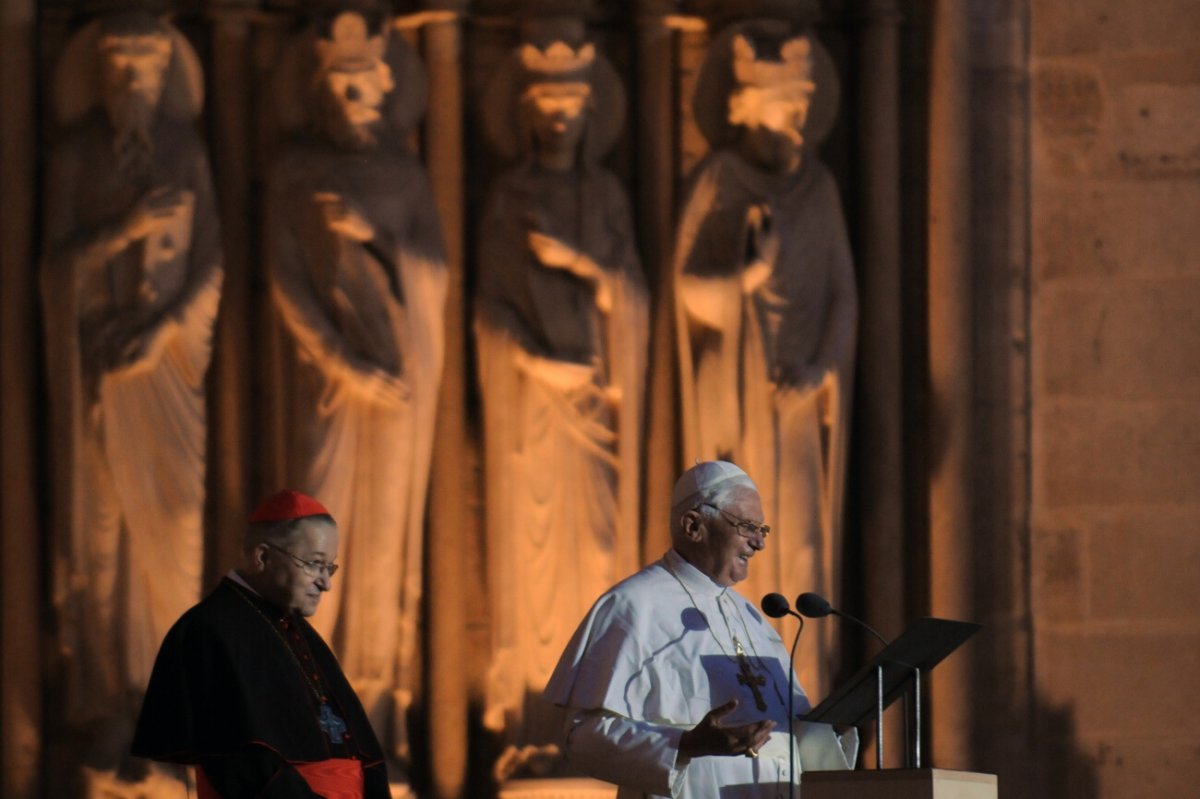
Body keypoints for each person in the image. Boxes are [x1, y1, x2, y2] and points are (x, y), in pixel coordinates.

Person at [40, 10, 223, 775]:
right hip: (95, 375)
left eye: (146, 73)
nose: (132, 87)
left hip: (169, 372)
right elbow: (52, 268)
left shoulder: (186, 152)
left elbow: (210, 263)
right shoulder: (77, 158)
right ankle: (109, 705)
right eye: (119, 74)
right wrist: (123, 228)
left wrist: (162, 330)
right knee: (102, 534)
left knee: (174, 527)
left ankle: (167, 703)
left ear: (163, 80)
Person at [266, 7, 447, 773]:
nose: (351, 99)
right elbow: (285, 280)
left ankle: (376, 705)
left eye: (362, 85)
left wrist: (374, 232)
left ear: (383, 89)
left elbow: (435, 276)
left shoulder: (404, 175)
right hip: (329, 388)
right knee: (317, 535)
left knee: (382, 546)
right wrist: (342, 361)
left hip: (399, 388)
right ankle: (310, 704)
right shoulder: (293, 171)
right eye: (336, 86)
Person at [475, 37, 648, 773]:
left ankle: (594, 719)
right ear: (524, 113)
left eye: (572, 107)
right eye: (546, 106)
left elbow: (633, 297)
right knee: (530, 564)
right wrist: (535, 356)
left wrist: (581, 262)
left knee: (595, 556)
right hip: (529, 413)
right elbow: (486, 308)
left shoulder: (605, 197)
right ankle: (533, 724)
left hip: (594, 419)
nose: (559, 120)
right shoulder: (507, 199)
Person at [674, 24, 857, 700]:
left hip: (798, 403)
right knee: (734, 532)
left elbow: (843, 294)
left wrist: (822, 367)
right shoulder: (717, 180)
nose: (794, 123)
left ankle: (802, 683)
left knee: (800, 535)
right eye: (782, 108)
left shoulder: (820, 188)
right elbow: (686, 289)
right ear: (746, 107)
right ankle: (737, 681)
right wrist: (744, 277)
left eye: (800, 109)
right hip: (734, 392)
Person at [544, 461, 857, 797]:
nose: (759, 544)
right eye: (747, 526)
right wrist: (685, 744)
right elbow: (583, 735)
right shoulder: (631, 606)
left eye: (762, 530)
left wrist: (831, 731)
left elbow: (787, 738)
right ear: (693, 525)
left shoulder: (751, 618)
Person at [131, 490, 389, 798]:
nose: (326, 582)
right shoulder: (209, 631)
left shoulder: (296, 631)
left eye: (329, 567)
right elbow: (238, 760)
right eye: (314, 564)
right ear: (262, 556)